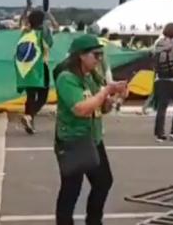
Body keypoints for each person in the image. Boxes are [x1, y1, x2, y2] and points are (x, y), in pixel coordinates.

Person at [54, 34, 127, 225]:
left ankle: (94, 221)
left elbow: (101, 107)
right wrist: (104, 93)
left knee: (103, 181)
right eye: (96, 55)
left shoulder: (92, 77)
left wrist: (116, 97)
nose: (99, 59)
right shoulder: (67, 78)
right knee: (71, 189)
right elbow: (81, 109)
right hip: (73, 140)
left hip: (93, 139)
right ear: (81, 56)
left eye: (101, 55)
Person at [15, 9, 53, 134]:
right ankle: (29, 117)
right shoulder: (43, 32)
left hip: (27, 68)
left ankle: (30, 123)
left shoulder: (25, 32)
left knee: (30, 96)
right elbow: (50, 43)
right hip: (41, 67)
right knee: (42, 97)